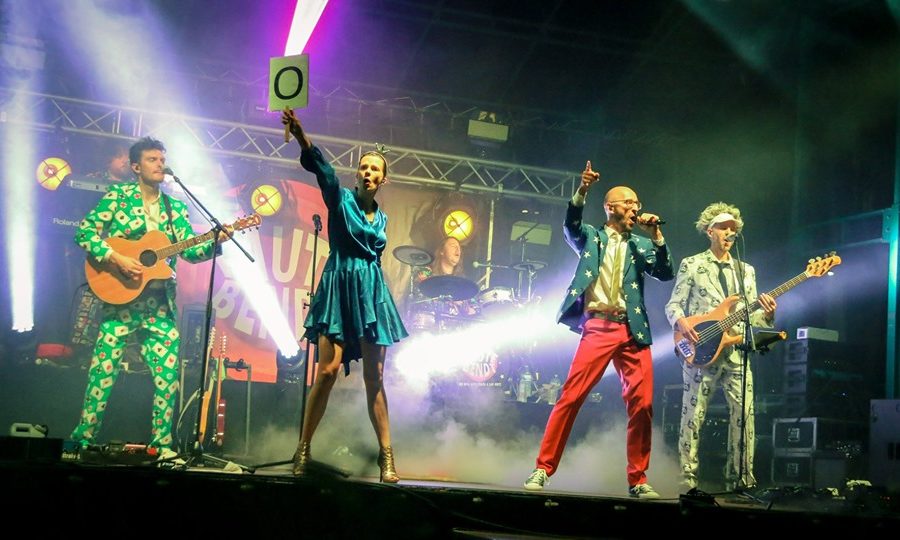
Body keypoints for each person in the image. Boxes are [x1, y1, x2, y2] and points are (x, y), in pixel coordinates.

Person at [69, 136, 232, 457]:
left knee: (168, 379)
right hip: (121, 303)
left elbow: (190, 252)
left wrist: (215, 241)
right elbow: (84, 232)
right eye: (152, 160)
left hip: (159, 308)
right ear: (136, 167)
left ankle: (162, 446)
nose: (160, 164)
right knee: (102, 374)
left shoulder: (175, 208)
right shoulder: (118, 197)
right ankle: (82, 440)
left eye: (162, 159)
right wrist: (117, 258)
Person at [523, 161, 674, 498]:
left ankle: (638, 479)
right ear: (610, 207)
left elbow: (665, 273)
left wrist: (657, 237)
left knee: (643, 404)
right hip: (598, 327)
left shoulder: (641, 245)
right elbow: (570, 225)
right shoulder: (592, 237)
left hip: (632, 330)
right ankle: (543, 468)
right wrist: (583, 189)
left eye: (637, 203)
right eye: (628, 202)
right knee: (571, 396)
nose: (635, 207)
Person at [282, 107, 409, 483]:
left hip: (371, 292)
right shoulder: (341, 200)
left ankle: (387, 457)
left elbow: (375, 255)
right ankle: (303, 447)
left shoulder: (382, 218)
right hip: (340, 285)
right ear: (358, 173)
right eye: (364, 167)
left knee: (376, 377)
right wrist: (302, 136)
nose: (368, 172)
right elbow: (323, 171)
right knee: (327, 371)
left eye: (375, 169)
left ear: (383, 179)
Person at [664, 202, 776, 492]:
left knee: (745, 415)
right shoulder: (692, 264)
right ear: (709, 231)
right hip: (700, 349)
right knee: (693, 416)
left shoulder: (745, 271)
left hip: (736, 352)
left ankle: (741, 479)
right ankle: (687, 480)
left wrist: (768, 313)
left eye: (733, 228)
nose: (729, 232)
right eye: (723, 227)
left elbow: (751, 317)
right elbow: (673, 305)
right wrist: (682, 323)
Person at [411, 236, 479, 328]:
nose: (458, 250)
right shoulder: (426, 273)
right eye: (453, 246)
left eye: (459, 248)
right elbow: (418, 299)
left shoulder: (463, 283)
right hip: (430, 325)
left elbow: (475, 310)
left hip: (456, 330)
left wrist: (464, 306)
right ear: (442, 251)